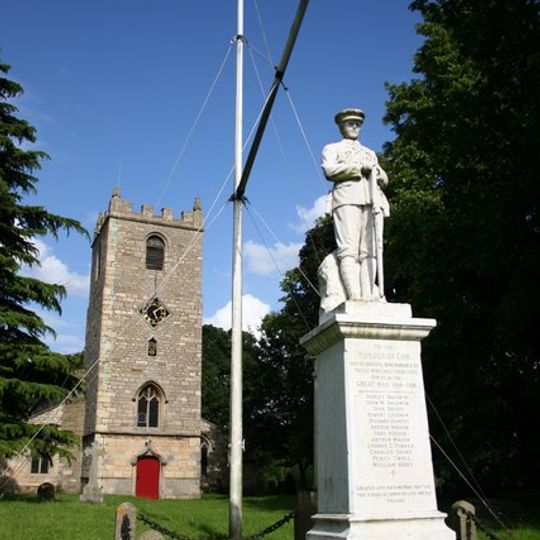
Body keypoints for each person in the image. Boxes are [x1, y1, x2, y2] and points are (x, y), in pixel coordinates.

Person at [321, 108, 389, 300]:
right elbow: (330, 170)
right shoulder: (332, 148)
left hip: (372, 200)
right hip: (346, 198)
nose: (355, 127)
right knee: (348, 249)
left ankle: (368, 294)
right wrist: (359, 167)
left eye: (358, 124)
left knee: (371, 250)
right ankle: (354, 295)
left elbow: (384, 178)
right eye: (351, 123)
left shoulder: (369, 153)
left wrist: (378, 172)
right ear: (342, 126)